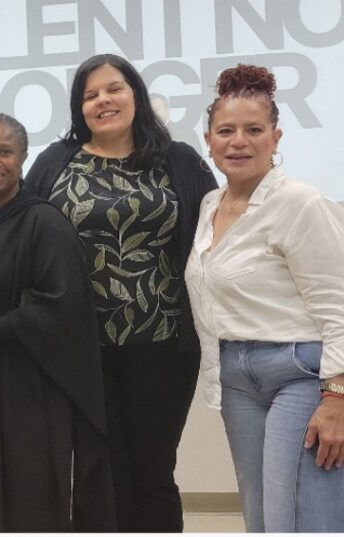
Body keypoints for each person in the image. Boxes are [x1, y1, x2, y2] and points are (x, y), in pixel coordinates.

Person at [24, 53, 218, 532]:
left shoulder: (180, 160)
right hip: (78, 348)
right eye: (90, 95)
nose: (103, 101)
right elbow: (16, 237)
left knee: (153, 470)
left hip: (164, 345)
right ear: (78, 108)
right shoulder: (54, 162)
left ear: (136, 95)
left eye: (113, 89)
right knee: (96, 473)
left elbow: (218, 232)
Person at [0, 112, 115, 532]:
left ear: (23, 158)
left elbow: (59, 307)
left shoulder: (43, 222)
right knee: (6, 509)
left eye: (3, 152)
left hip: (31, 393)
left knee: (32, 507)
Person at [185, 64, 344, 532]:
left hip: (300, 374)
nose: (239, 141)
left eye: (254, 130)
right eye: (226, 131)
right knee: (259, 519)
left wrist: (337, 398)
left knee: (298, 519)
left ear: (275, 138)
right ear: (209, 142)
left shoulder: (300, 202)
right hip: (236, 377)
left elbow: (340, 305)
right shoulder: (210, 205)